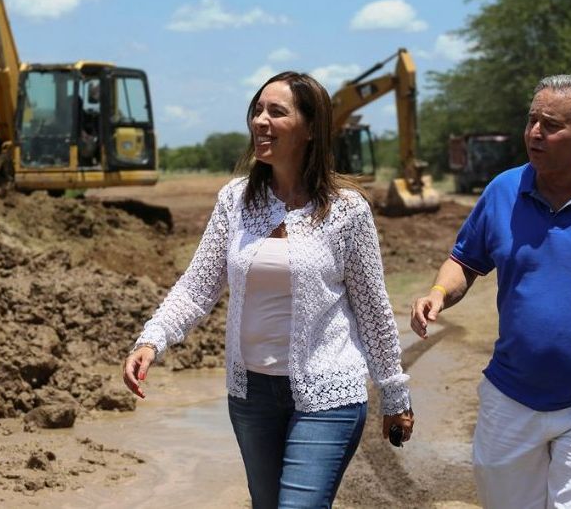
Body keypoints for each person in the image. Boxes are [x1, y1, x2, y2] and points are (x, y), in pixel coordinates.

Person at [122, 71, 413, 508]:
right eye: (257, 110)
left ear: (311, 128)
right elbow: (198, 285)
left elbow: (372, 309)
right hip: (251, 395)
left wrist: (394, 392)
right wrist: (153, 339)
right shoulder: (236, 201)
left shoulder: (346, 211)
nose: (261, 121)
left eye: (276, 112)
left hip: (327, 393)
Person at [411, 74, 571, 508]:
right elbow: (464, 261)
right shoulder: (503, 191)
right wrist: (439, 291)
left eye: (551, 124)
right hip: (511, 391)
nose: (535, 133)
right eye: (532, 120)